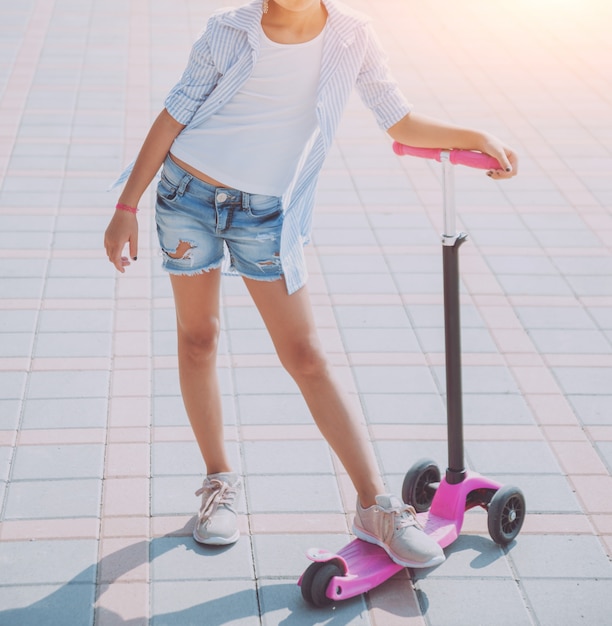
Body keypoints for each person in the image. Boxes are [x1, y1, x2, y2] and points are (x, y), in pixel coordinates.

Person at [104, 0, 517, 569]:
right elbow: (173, 115)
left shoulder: (352, 37)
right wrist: (127, 205)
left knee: (306, 355)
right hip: (186, 196)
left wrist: (476, 135)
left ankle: (377, 508)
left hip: (266, 216)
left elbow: (398, 119)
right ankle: (219, 483)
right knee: (197, 338)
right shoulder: (229, 31)